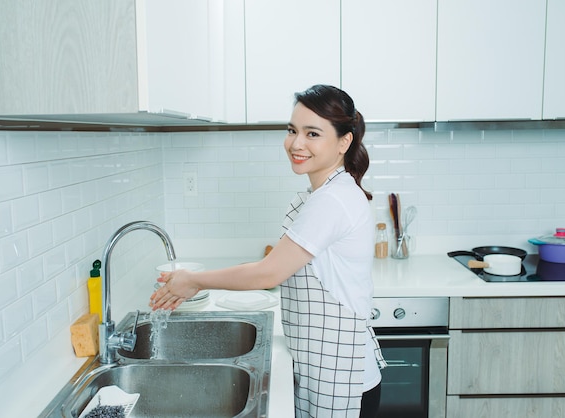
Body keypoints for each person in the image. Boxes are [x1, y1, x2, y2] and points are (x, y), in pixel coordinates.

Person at [150, 84, 387, 418]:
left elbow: (268, 273)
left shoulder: (332, 200)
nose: (296, 143)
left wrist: (195, 281)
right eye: (292, 130)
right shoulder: (327, 192)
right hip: (332, 365)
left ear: (343, 142)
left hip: (343, 375)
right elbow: (276, 263)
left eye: (313, 133)